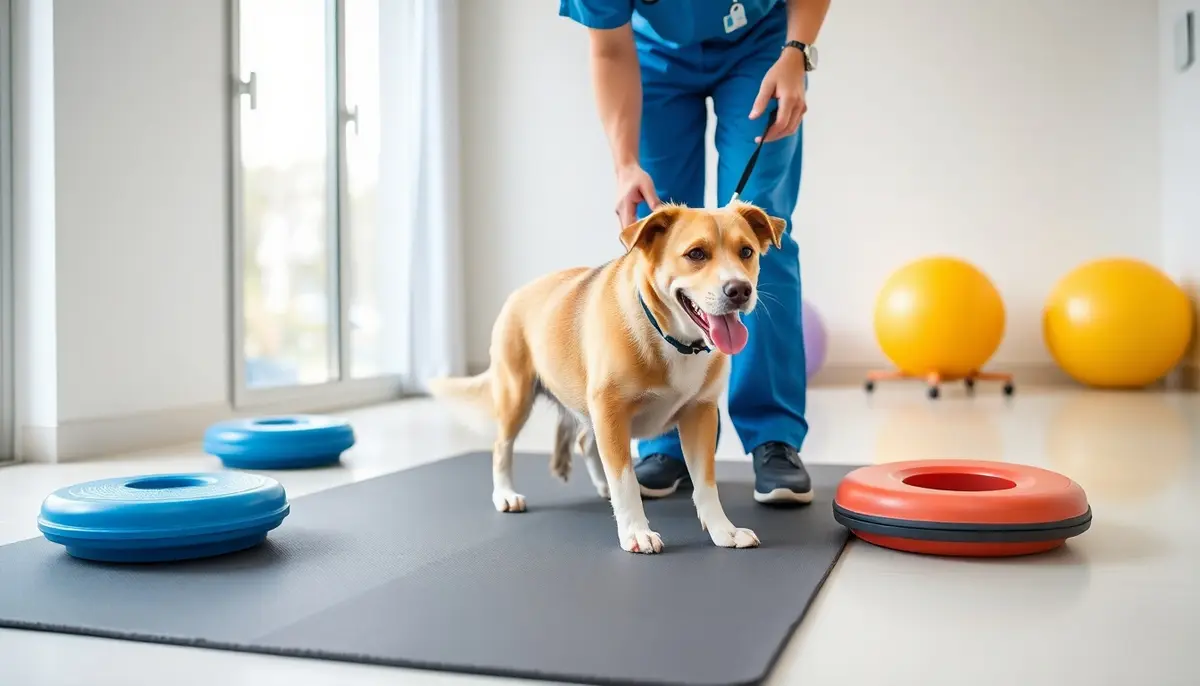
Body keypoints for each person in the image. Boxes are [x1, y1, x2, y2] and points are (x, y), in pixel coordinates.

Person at [559, 0, 830, 505]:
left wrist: (797, 51)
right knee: (661, 238)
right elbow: (610, 49)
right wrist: (624, 164)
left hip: (760, 45)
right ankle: (664, 439)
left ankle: (773, 437)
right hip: (653, 56)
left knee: (761, 230)